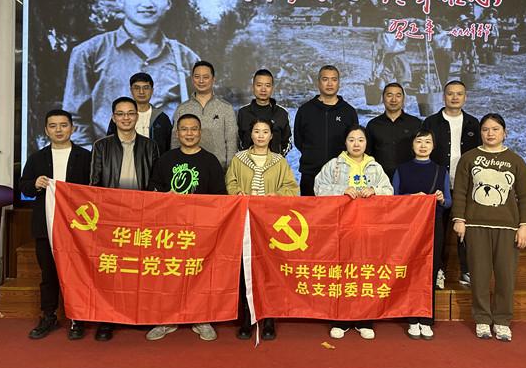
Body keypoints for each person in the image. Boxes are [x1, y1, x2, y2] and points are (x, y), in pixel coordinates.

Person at [63, 0, 199, 147]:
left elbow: (198, 115)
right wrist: (94, 157)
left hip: (166, 158)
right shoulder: (89, 52)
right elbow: (75, 119)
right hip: (110, 157)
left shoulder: (186, 58)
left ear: (168, 3)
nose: (147, 3)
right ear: (121, 1)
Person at [451, 113, 526, 342]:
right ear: (480, 133)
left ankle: (502, 321)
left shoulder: (515, 161)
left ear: (504, 133)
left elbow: (525, 197)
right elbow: (460, 192)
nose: (490, 133)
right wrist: (459, 219)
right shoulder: (469, 158)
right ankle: (482, 319)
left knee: (505, 277)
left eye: (495, 129)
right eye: (485, 129)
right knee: (479, 276)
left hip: (507, 228)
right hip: (475, 225)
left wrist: (524, 226)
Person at [148, 114, 227, 342]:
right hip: (170, 231)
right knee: (169, 275)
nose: (189, 133)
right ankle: (167, 319)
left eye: (193, 129)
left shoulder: (210, 161)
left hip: (201, 231)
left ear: (200, 132)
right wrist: (165, 196)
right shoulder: (165, 159)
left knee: (199, 275)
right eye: (184, 129)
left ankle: (201, 318)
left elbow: (220, 197)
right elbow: (152, 191)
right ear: (177, 133)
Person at [89, 96, 159, 341]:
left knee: (138, 269)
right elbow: (94, 184)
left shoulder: (150, 146)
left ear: (137, 116)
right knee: (111, 270)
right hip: (112, 217)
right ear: (113, 117)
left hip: (141, 216)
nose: (126, 118)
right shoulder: (101, 146)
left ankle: (137, 315)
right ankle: (107, 320)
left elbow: (154, 183)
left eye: (130, 113)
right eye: (120, 114)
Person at [314, 126, 393, 340]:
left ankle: (364, 319)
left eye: (360, 139)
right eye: (351, 139)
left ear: (366, 143)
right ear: (345, 143)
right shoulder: (334, 165)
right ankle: (340, 319)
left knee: (365, 273)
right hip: (339, 229)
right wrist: (340, 191)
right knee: (340, 273)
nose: (356, 144)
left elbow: (389, 191)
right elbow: (318, 189)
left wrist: (375, 190)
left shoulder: (375, 167)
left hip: (368, 230)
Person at [19, 110, 92, 340]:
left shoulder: (85, 157)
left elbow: (94, 189)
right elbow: (24, 186)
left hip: (77, 229)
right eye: (53, 126)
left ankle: (78, 318)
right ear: (46, 130)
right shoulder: (37, 158)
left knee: (77, 274)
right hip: (46, 226)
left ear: (73, 128)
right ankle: (48, 316)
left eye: (63, 125)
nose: (58, 130)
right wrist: (35, 183)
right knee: (48, 274)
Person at [226, 118, 299, 340]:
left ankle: (269, 318)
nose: (260, 135)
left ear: (271, 136)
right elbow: (231, 182)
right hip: (244, 221)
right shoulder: (239, 159)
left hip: (270, 224)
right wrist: (237, 193)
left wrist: (277, 195)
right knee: (245, 268)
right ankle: (247, 317)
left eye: (265, 131)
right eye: (256, 131)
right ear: (250, 135)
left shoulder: (279, 162)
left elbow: (292, 188)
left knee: (269, 269)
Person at [392, 129, 451, 341]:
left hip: (433, 226)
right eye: (419, 141)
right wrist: (412, 198)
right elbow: (394, 199)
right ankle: (411, 317)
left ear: (433, 146)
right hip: (408, 228)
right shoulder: (401, 169)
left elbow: (448, 202)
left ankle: (426, 318)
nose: (423, 146)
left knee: (430, 271)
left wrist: (441, 198)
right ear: (413, 145)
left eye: (427, 142)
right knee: (410, 270)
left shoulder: (440, 171)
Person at [422, 80, 481, 289]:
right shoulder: (431, 122)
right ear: (443, 96)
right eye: (450, 93)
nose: (455, 97)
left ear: (465, 97)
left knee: (466, 230)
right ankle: (436, 270)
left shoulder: (474, 123)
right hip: (438, 186)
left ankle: (466, 271)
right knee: (437, 231)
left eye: (459, 94)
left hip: (466, 186)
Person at [294, 65, 358, 196]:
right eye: (325, 79)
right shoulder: (305, 111)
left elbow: (353, 142)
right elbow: (299, 140)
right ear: (318, 82)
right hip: (310, 174)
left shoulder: (348, 112)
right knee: (309, 209)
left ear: (338, 83)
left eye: (334, 79)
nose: (330, 84)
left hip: (341, 176)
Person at [171, 60, 238, 170]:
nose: (201, 81)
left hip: (218, 170)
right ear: (192, 79)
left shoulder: (226, 108)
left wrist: (230, 171)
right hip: (187, 170)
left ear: (213, 79)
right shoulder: (182, 109)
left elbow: (232, 143)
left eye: (206, 77)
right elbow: (175, 141)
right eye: (197, 77)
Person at [366, 82, 422, 179]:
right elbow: (367, 155)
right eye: (389, 95)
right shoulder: (373, 125)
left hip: (410, 177)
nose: (394, 99)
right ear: (383, 98)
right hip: (380, 179)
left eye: (398, 96)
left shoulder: (415, 123)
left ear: (403, 99)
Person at [106, 72, 172, 154]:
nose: (141, 92)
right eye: (137, 88)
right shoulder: (120, 117)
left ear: (152, 90)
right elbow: (109, 144)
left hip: (155, 161)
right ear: (131, 90)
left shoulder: (161, 118)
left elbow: (169, 147)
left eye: (146, 88)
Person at [236, 69, 292, 155]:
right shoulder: (242, 113)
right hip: (247, 162)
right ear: (253, 87)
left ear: (272, 88)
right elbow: (236, 141)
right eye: (259, 85)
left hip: (275, 162)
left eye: (267, 85)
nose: (263, 89)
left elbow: (288, 142)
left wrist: (278, 158)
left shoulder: (282, 113)